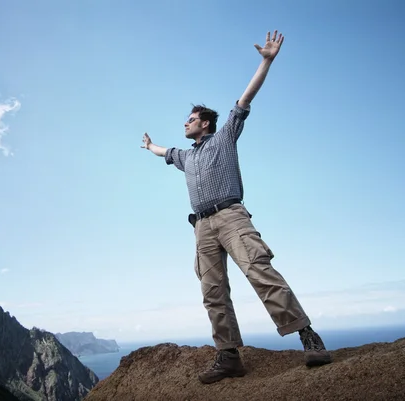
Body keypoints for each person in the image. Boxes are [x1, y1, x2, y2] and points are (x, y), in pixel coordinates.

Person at [141, 30, 332, 384]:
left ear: (206, 123)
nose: (185, 122)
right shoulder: (184, 157)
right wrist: (150, 146)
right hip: (201, 227)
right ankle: (228, 355)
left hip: (231, 216)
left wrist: (266, 60)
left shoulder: (225, 136)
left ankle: (308, 337)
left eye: (190, 118)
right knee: (212, 291)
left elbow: (245, 98)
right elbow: (162, 152)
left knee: (260, 272)